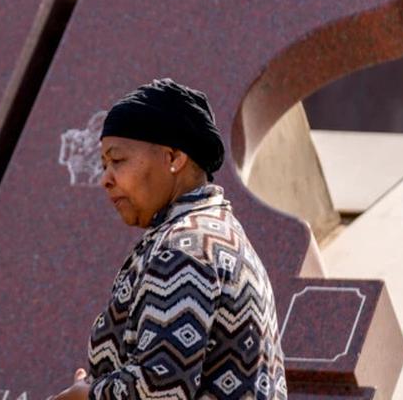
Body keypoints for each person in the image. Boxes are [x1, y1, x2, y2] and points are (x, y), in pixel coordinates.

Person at [51, 79, 287, 400]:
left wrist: (88, 396)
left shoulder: (186, 245)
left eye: (117, 160)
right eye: (104, 164)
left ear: (174, 158)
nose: (105, 178)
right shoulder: (208, 232)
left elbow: (162, 389)